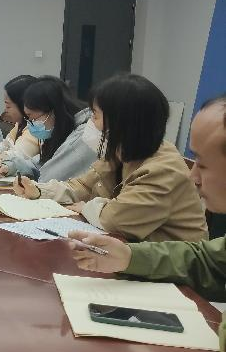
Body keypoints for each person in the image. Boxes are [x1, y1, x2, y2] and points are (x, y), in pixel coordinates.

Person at [64, 94, 226, 352]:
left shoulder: (160, 166)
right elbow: (209, 260)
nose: (193, 176)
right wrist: (130, 257)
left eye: (203, 164)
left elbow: (112, 214)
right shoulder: (118, 156)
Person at [14, 74, 208, 243]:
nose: (90, 123)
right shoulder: (119, 153)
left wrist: (87, 207)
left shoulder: (162, 169)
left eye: (95, 116)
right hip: (129, 251)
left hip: (171, 269)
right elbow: (82, 186)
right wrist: (40, 191)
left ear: (122, 123)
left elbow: (116, 220)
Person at [0, 76, 96, 182]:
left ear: (52, 111)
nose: (30, 123)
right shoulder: (62, 131)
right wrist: (9, 166)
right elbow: (40, 164)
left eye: (32, 118)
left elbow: (48, 177)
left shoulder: (82, 136)